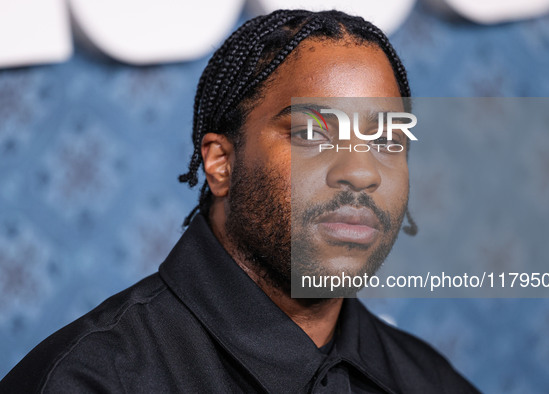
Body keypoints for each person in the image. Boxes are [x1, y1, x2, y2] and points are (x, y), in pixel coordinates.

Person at [1, 9, 479, 393]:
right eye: (313, 133)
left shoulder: (427, 379)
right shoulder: (91, 379)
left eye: (387, 140)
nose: (361, 171)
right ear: (220, 163)